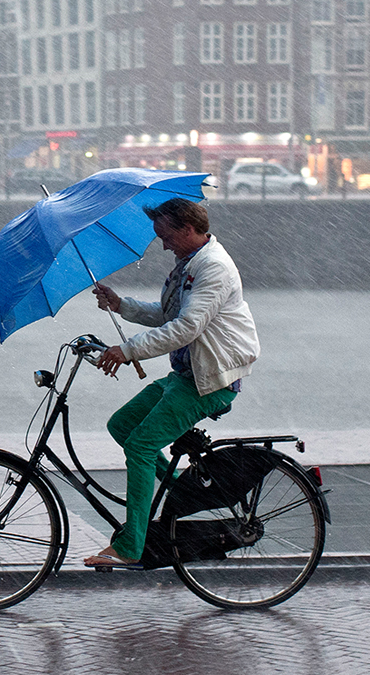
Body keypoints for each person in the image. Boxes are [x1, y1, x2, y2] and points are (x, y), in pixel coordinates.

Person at [83, 198, 260, 569]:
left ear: (188, 229)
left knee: (141, 447)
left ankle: (132, 545)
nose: (162, 244)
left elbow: (186, 327)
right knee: (122, 425)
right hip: (184, 375)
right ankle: (181, 489)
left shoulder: (212, 268)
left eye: (165, 236)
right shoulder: (188, 264)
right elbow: (168, 315)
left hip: (208, 381)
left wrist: (127, 351)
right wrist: (121, 305)